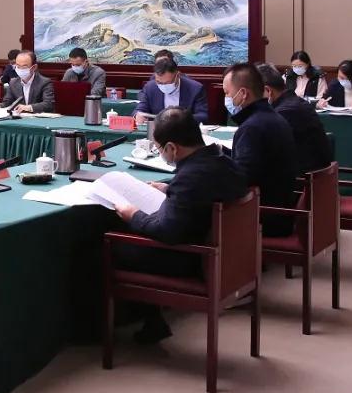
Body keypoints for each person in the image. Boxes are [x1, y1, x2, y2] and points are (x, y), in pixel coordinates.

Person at [111, 107, 249, 343]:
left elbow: (167, 232)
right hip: (228, 255)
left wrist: (133, 215)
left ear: (172, 148)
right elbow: (203, 192)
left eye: (159, 148)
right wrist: (169, 189)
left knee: (109, 245)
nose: (160, 153)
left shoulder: (189, 177)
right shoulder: (224, 161)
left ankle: (104, 331)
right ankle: (152, 321)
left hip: (194, 258)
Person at [222, 62, 299, 236]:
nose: (226, 98)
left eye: (227, 93)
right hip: (281, 212)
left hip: (263, 217)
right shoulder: (273, 117)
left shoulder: (252, 128)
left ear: (243, 93)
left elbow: (240, 182)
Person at [256, 63, 332, 175]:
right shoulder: (296, 102)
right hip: (309, 175)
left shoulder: (284, 113)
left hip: (302, 181)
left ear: (268, 91)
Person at [135, 57, 208, 123]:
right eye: (159, 82)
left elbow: (203, 116)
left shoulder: (195, 88)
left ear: (178, 75)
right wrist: (138, 116)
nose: (163, 86)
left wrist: (179, 119)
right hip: (157, 131)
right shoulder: (150, 87)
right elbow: (139, 110)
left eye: (168, 82)